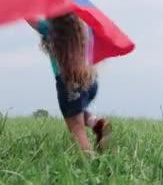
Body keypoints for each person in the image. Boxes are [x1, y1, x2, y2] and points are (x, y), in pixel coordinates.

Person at [27, 13, 111, 153]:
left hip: (70, 84)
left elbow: (28, 16)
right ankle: (97, 124)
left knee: (76, 128)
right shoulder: (84, 28)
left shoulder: (50, 28)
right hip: (90, 80)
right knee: (77, 111)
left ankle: (91, 165)